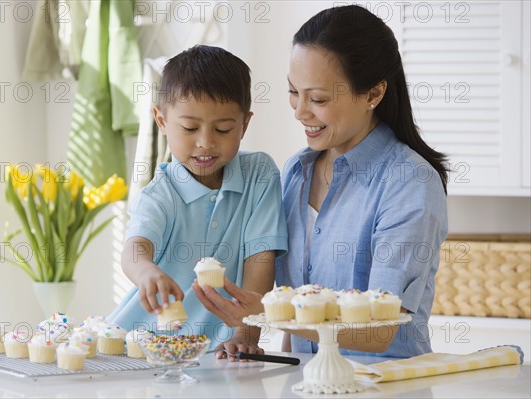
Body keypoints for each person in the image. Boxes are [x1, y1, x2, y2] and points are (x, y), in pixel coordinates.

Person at [194, 5, 449, 359]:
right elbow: (297, 302)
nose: (300, 111)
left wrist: (266, 314)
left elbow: (380, 331)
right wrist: (272, 355)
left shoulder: (410, 182)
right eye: (293, 92)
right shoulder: (297, 172)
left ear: (373, 94)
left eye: (318, 99)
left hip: (384, 385)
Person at [108, 45, 288, 356]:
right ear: (162, 121)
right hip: (141, 347)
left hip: (218, 352)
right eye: (190, 128)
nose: (206, 142)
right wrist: (147, 273)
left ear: (244, 124)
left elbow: (260, 259)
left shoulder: (259, 174)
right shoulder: (160, 193)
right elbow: (135, 249)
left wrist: (246, 333)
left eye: (223, 129)